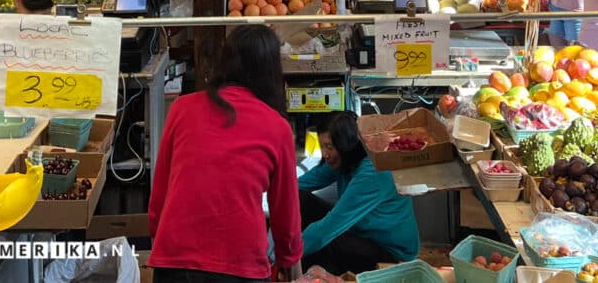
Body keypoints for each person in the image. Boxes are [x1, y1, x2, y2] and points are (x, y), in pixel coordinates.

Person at [149, 26, 302, 282]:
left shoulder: (181, 108)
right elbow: (286, 212)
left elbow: (160, 191)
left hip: (176, 259)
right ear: (272, 71)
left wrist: (160, 239)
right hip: (241, 265)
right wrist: (291, 264)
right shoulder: (277, 127)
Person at [298, 112, 420, 275]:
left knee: (326, 241)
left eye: (330, 147)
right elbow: (300, 183)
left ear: (346, 144)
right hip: (362, 235)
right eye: (322, 147)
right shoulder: (345, 158)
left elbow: (329, 227)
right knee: (302, 199)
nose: (325, 154)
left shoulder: (372, 172)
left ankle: (308, 275)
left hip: (391, 254)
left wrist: (283, 254)